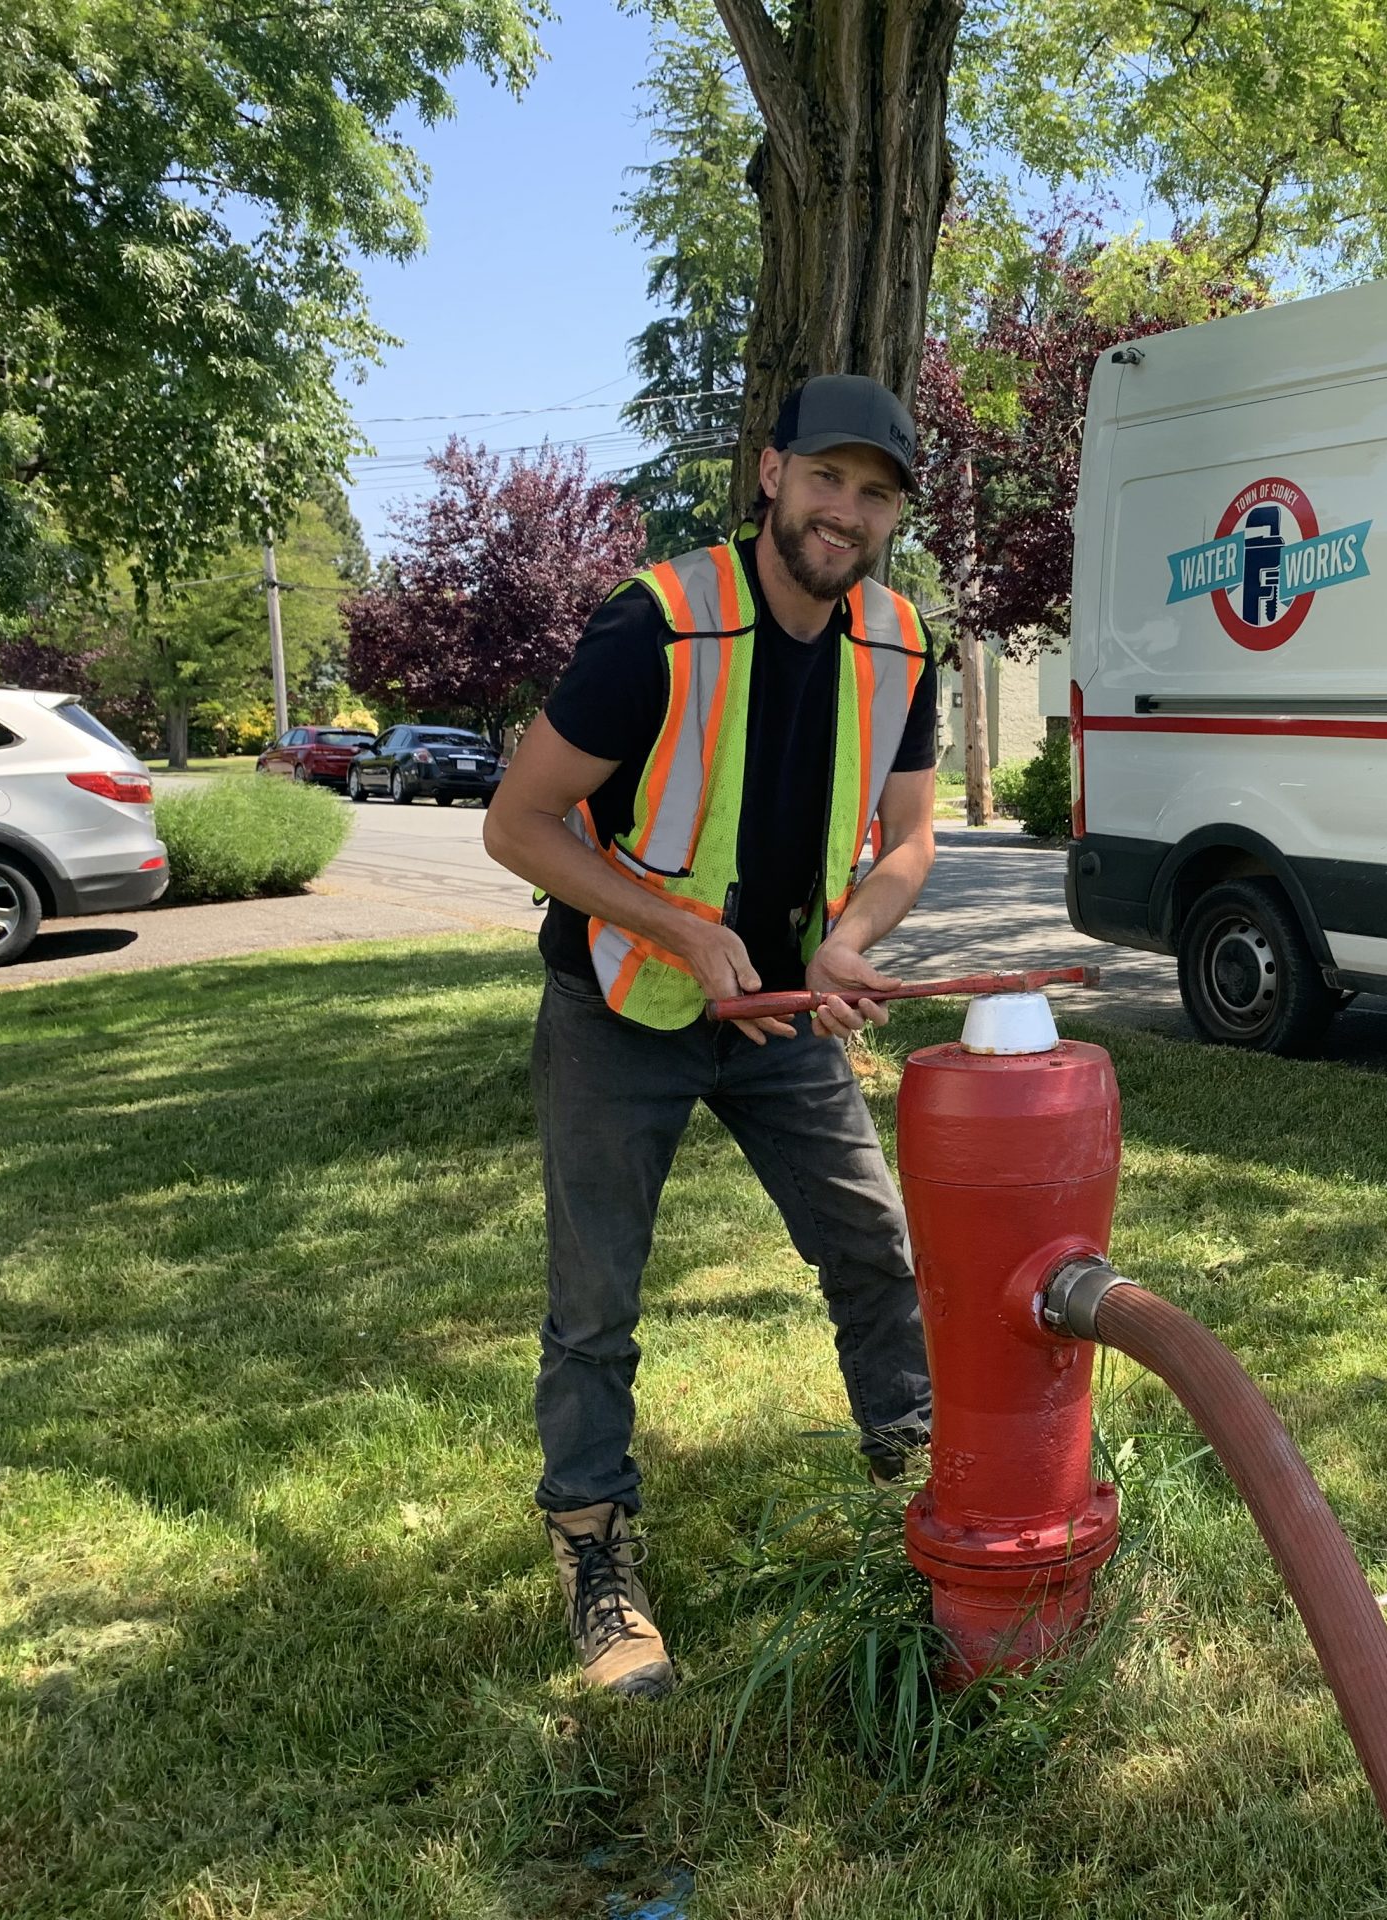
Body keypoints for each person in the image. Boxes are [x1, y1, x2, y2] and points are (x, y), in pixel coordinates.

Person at [483, 374, 941, 1698]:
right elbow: (519, 824)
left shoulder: (903, 644)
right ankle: (595, 1556)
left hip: (786, 1010)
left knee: (872, 1242)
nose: (844, 513)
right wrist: (677, 927)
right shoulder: (660, 628)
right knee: (597, 1301)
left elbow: (908, 840)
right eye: (827, 481)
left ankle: (917, 1484)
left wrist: (854, 939)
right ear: (771, 473)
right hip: (624, 1004)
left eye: (874, 494)